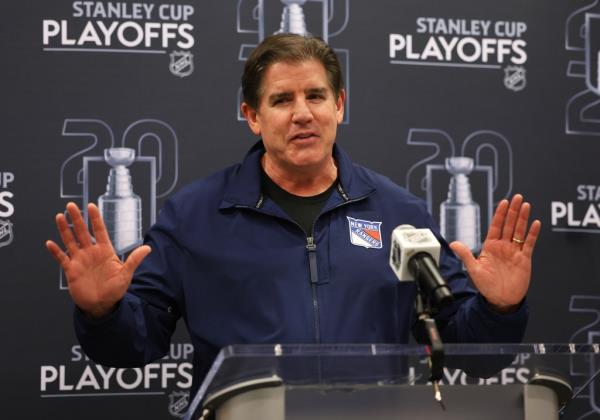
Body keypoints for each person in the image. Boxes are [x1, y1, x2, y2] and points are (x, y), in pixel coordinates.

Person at [46, 34, 540, 397]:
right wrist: (103, 313)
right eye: (281, 100)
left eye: (316, 96)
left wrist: (499, 309)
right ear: (253, 116)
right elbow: (134, 346)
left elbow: (469, 353)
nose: (302, 113)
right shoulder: (193, 215)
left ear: (339, 105)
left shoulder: (399, 213)